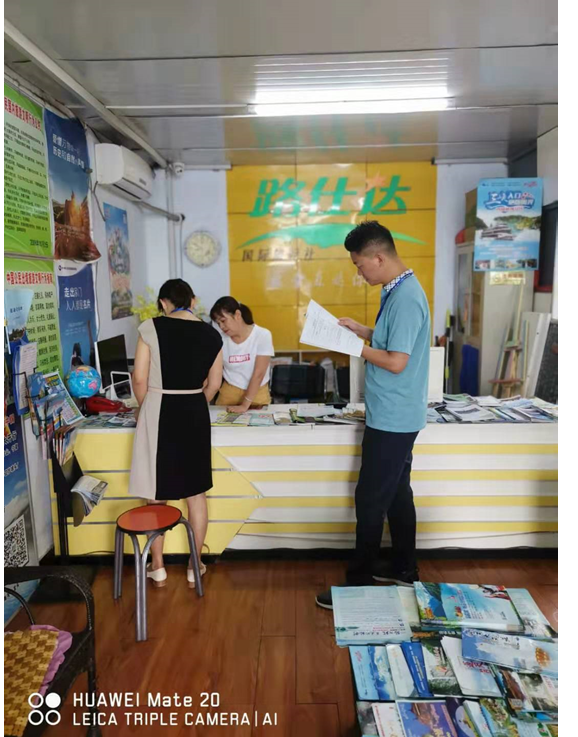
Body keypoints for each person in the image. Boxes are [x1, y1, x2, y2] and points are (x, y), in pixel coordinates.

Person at [316, 221, 430, 609]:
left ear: (379, 258)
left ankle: (359, 580)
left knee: (369, 499)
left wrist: (353, 346)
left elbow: (397, 361)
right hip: (392, 412)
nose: (359, 272)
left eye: (359, 265)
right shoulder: (396, 289)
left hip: (395, 417)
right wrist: (362, 330)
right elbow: (392, 340)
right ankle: (404, 569)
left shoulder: (406, 298)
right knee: (396, 494)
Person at [128, 279, 223, 588]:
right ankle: (195, 566)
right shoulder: (212, 334)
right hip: (194, 410)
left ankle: (157, 566)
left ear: (163, 303)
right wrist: (194, 401)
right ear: (192, 301)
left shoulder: (150, 328)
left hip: (159, 407)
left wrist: (147, 408)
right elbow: (215, 384)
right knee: (196, 494)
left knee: (157, 494)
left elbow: (139, 378)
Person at [210, 296, 274, 413]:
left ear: (237, 315)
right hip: (229, 392)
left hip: (257, 393)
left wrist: (244, 405)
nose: (221, 327)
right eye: (218, 323)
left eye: (223, 321)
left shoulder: (262, 335)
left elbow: (259, 374)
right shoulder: (220, 340)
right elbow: (213, 371)